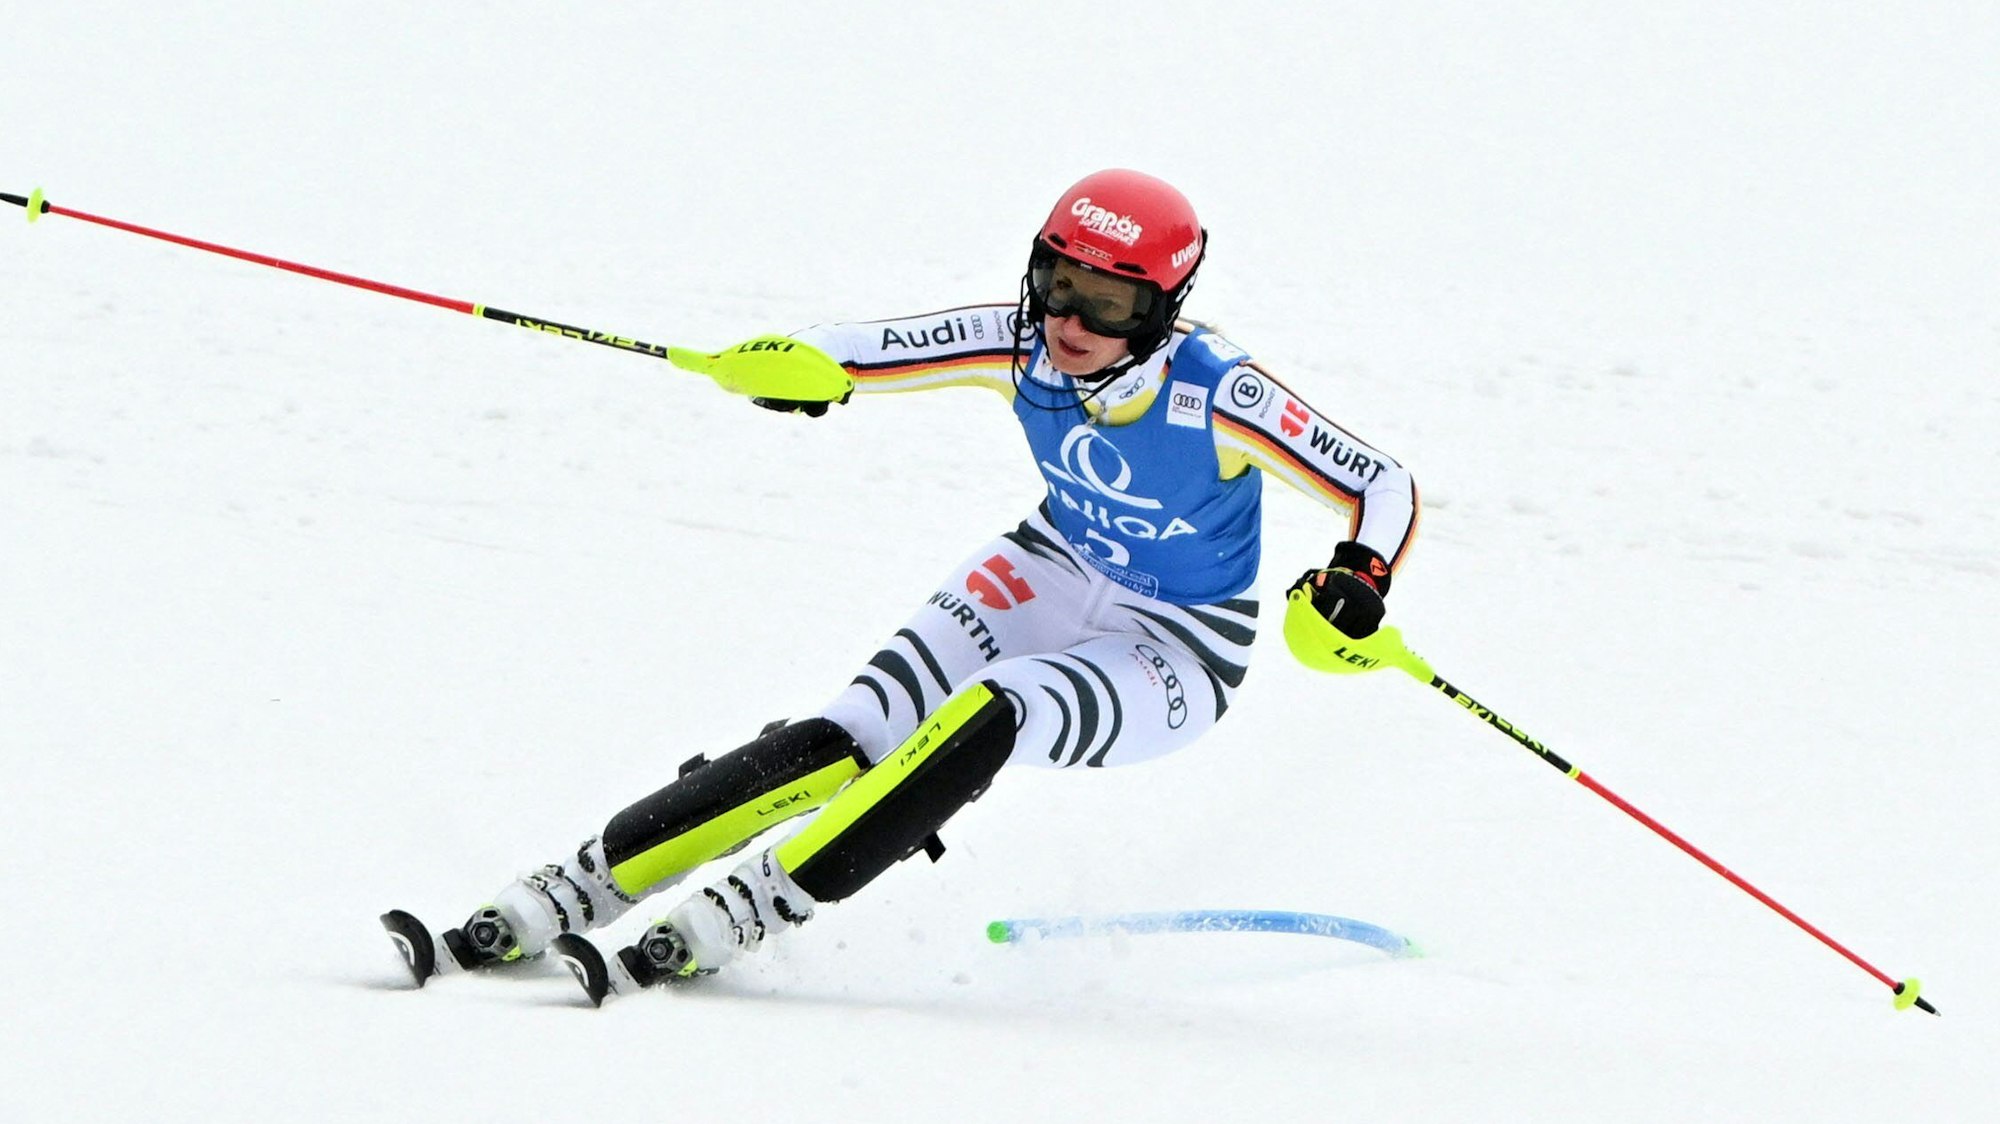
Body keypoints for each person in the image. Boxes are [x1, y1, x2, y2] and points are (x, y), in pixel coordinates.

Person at [393, 169, 1419, 992]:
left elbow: (1379, 483)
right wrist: (792, 365)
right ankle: (571, 884)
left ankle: (759, 901)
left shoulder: (1216, 391)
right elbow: (858, 350)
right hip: (1049, 565)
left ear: (1161, 308)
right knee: (855, 730)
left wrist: (1357, 578)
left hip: (1178, 647)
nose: (1069, 323)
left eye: (1105, 304)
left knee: (998, 707)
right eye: (1057, 284)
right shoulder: (1023, 344)